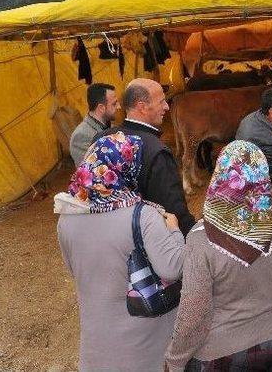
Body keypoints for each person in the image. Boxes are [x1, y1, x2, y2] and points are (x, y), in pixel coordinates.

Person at [165, 140, 272, 371]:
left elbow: (194, 311)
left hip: (222, 354)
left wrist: (175, 359)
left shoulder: (201, 238)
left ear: (220, 176)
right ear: (262, 175)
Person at [55, 131, 186, 372]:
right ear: (125, 168)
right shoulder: (143, 215)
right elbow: (173, 267)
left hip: (95, 347)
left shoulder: (66, 218)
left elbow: (75, 269)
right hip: (141, 347)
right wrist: (175, 231)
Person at [97, 78, 196, 235]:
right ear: (142, 107)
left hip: (105, 234)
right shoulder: (156, 151)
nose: (167, 107)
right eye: (162, 102)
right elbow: (174, 212)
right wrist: (194, 234)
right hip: (145, 241)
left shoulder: (101, 138)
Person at [69, 83, 120, 166]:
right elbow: (90, 171)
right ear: (101, 108)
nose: (119, 107)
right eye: (114, 104)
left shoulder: (112, 127)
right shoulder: (81, 136)